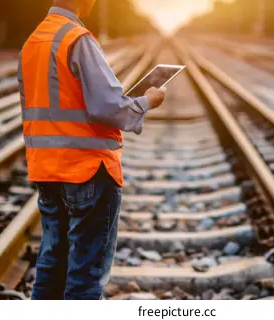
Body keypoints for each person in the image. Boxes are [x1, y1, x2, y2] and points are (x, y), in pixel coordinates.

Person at [17, 0, 166, 300]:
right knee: (85, 276)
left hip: (46, 170)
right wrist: (147, 101)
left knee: (51, 265)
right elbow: (106, 106)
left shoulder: (32, 42)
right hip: (87, 171)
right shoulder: (77, 39)